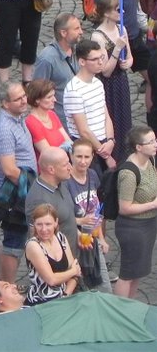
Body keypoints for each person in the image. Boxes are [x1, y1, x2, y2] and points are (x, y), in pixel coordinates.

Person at [0, 83, 38, 282]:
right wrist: (34, 189)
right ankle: (5, 285)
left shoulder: (18, 118)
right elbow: (9, 170)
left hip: (23, 187)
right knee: (14, 240)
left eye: (24, 96)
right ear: (5, 104)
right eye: (18, 99)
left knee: (20, 236)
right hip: (15, 193)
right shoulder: (4, 128)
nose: (24, 100)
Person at [113, 125, 157, 298]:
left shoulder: (151, 161)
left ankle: (131, 308)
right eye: (151, 141)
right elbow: (125, 208)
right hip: (133, 228)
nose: (155, 144)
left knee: (138, 272)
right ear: (139, 147)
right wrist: (153, 205)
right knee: (127, 274)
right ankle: (120, 310)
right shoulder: (129, 173)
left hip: (148, 225)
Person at [64, 39, 117, 173]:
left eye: (102, 57)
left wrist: (110, 140)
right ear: (82, 62)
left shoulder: (97, 83)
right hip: (88, 148)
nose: (100, 62)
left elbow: (106, 116)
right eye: (95, 59)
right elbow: (83, 130)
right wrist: (105, 155)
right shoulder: (74, 90)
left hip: (104, 144)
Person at [66, 138, 112, 292]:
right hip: (74, 240)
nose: (83, 161)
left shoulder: (92, 175)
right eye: (79, 156)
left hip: (91, 239)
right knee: (85, 287)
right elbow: (59, 216)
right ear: (71, 156)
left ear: (93, 157)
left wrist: (101, 239)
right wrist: (80, 220)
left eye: (87, 157)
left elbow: (96, 210)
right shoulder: (65, 181)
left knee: (101, 286)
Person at [33, 13, 84, 126]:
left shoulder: (77, 50)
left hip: (79, 116)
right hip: (61, 122)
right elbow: (37, 93)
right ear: (63, 33)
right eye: (76, 29)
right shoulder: (47, 59)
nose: (81, 32)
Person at [24, 203, 80, 305]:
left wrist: (66, 295)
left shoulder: (61, 238)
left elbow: (75, 275)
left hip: (63, 298)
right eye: (39, 224)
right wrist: (73, 271)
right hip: (41, 302)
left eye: (48, 224)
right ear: (34, 224)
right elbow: (51, 279)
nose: (44, 229)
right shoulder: (33, 246)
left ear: (56, 222)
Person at [25, 79, 73, 159]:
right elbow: (48, 153)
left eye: (53, 95)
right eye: (49, 97)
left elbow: (67, 140)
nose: (55, 100)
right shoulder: (32, 122)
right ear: (37, 100)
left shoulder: (51, 114)